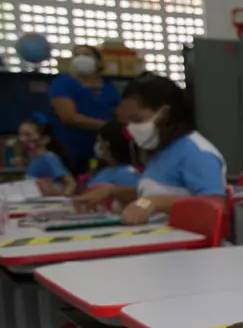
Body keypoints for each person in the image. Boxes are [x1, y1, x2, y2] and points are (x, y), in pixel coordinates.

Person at [74, 73, 225, 224]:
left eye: (137, 120)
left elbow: (214, 204)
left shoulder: (197, 153)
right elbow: (160, 192)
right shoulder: (162, 151)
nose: (130, 129)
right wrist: (113, 191)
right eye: (127, 122)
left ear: (164, 113)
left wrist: (152, 203)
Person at [49, 45, 121, 177]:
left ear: (98, 62)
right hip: (71, 152)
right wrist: (107, 126)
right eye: (77, 55)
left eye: (87, 55)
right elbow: (69, 117)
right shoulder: (63, 84)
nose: (81, 58)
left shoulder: (109, 87)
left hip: (104, 152)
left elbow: (118, 111)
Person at [18, 117, 76, 195]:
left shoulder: (49, 159)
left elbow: (71, 183)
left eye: (28, 135)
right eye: (20, 134)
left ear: (45, 139)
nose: (22, 139)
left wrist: (63, 198)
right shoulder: (33, 159)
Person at [86, 120, 141, 189]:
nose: (98, 146)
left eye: (99, 141)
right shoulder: (105, 170)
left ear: (107, 145)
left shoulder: (126, 175)